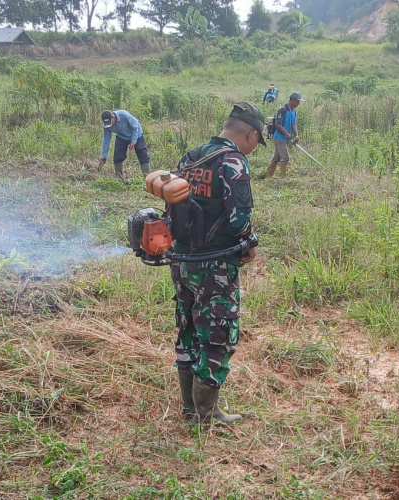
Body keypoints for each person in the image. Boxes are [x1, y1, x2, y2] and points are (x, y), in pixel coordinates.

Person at [171, 102, 264, 424]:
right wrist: (249, 245)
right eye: (256, 142)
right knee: (219, 333)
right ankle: (206, 414)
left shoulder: (191, 156)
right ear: (250, 134)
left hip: (181, 259)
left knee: (189, 327)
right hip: (215, 265)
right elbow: (240, 219)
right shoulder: (234, 162)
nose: (253, 148)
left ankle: (189, 407)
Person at [98, 110, 151, 178]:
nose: (110, 125)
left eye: (111, 122)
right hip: (122, 136)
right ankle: (119, 178)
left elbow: (135, 127)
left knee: (142, 154)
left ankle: (148, 178)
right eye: (108, 124)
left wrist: (133, 141)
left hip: (136, 134)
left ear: (113, 117)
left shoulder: (124, 115)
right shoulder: (107, 126)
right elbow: (106, 140)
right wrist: (103, 156)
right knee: (117, 156)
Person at [266, 91, 304, 179]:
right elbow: (277, 124)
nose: (298, 103)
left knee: (276, 157)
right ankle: (284, 178)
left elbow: (293, 124)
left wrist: (296, 135)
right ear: (292, 100)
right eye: (297, 101)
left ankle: (268, 175)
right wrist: (286, 134)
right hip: (279, 137)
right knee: (285, 157)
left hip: (285, 138)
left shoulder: (293, 111)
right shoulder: (283, 110)